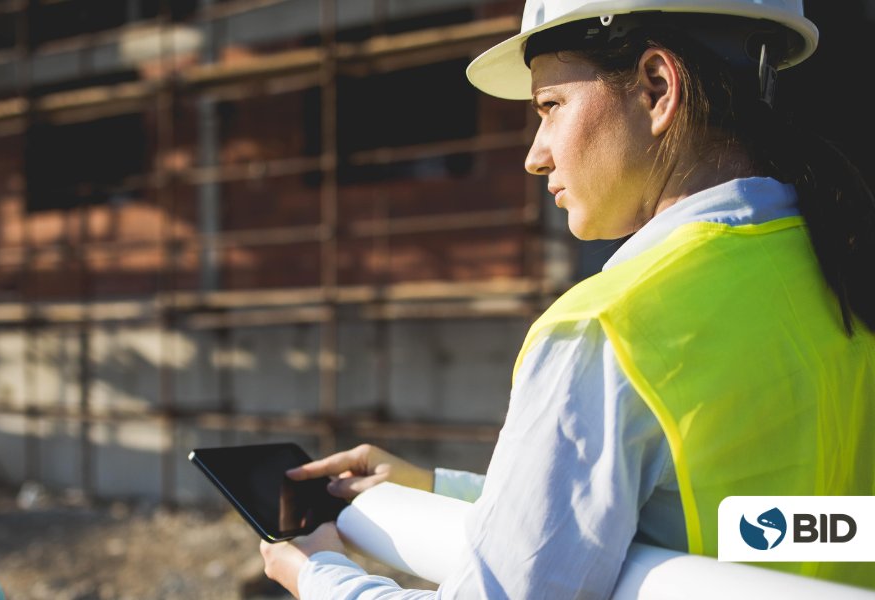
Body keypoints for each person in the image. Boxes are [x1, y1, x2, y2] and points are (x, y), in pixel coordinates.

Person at [258, 0, 875, 597]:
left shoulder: (610, 327)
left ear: (658, 88)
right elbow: (773, 529)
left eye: (550, 106)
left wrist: (321, 575)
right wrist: (435, 487)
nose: (534, 155)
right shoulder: (835, 266)